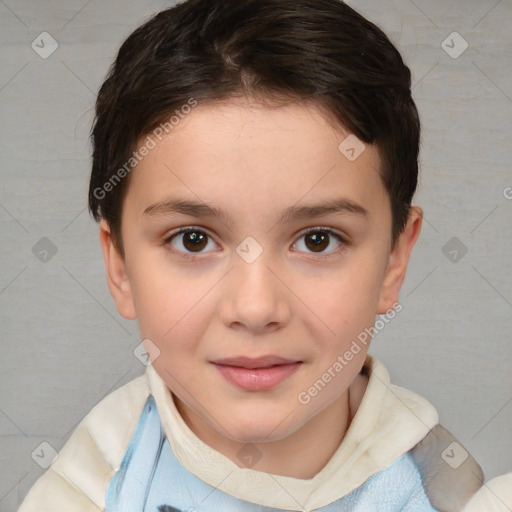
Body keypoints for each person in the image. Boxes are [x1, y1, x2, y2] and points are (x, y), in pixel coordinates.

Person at [18, 0, 512, 510]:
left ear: (394, 261)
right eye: (193, 240)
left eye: (318, 240)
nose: (255, 309)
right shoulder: (98, 477)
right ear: (119, 265)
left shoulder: (442, 488)